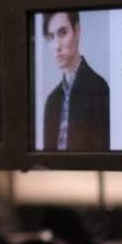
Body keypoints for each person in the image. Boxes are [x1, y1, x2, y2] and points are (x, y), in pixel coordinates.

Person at [41, 11, 110, 151]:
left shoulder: (99, 89)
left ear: (77, 31)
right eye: (51, 37)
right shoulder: (51, 101)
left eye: (62, 33)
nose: (57, 46)